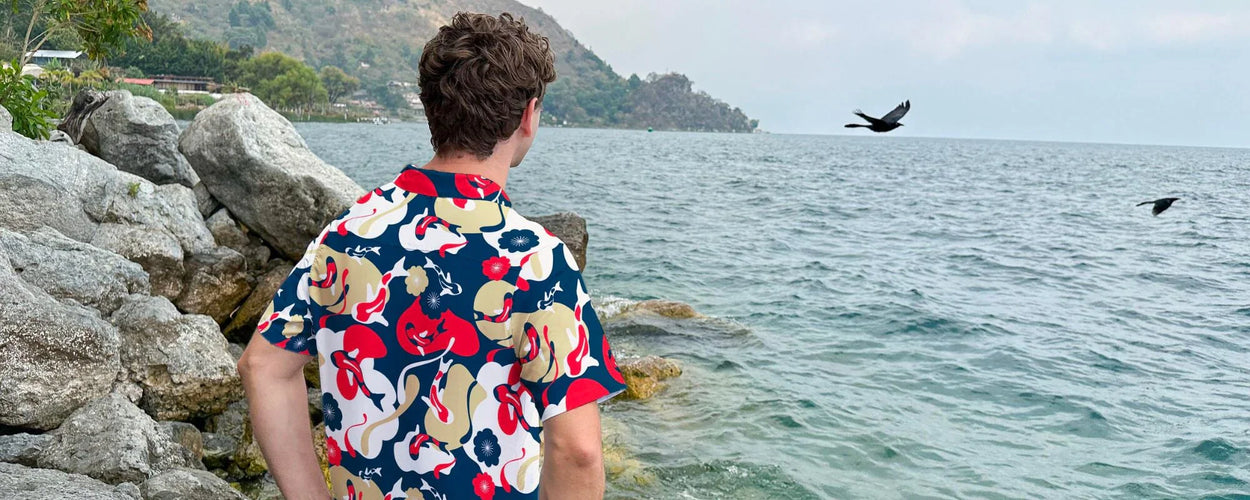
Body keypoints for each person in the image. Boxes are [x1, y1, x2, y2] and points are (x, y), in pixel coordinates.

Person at [236, 12, 627, 500]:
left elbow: (263, 366)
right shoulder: (536, 261)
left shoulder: (347, 234)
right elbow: (579, 452)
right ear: (528, 116)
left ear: (431, 110)